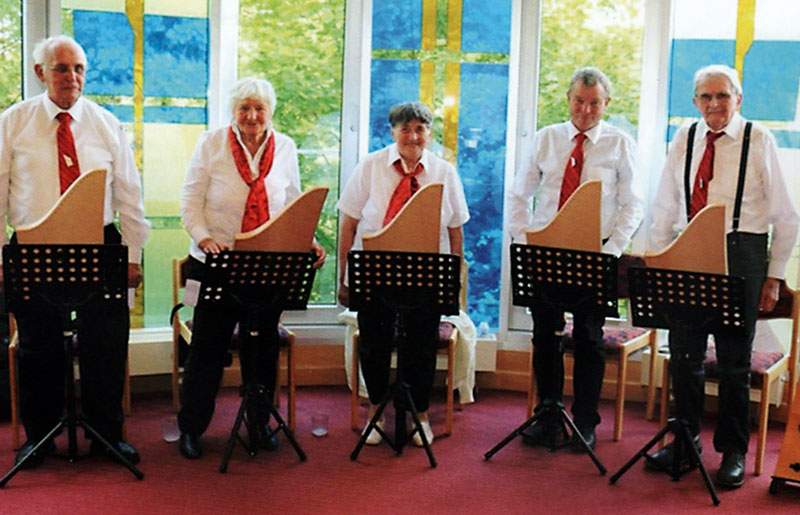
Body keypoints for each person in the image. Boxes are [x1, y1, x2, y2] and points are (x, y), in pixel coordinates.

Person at [0, 36, 150, 467]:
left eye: (79, 68)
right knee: (37, 347)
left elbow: (130, 196)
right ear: (40, 73)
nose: (72, 77)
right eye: (62, 68)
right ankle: (40, 438)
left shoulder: (106, 124)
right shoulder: (13, 123)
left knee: (106, 343)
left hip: (98, 245)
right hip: (32, 245)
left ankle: (107, 435)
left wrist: (134, 256)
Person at [648, 64, 799, 488]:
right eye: (705, 97)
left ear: (739, 99)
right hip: (688, 247)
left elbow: (786, 215)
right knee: (685, 355)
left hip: (742, 251)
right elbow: (665, 202)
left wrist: (773, 276)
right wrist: (661, 258)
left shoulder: (758, 138)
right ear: (695, 101)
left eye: (722, 96)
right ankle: (685, 441)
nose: (714, 104)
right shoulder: (686, 136)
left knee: (734, 363)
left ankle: (732, 451)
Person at [177, 77, 325, 459]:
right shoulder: (211, 143)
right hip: (216, 260)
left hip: (267, 263)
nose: (252, 115)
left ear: (270, 112)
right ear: (233, 111)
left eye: (259, 108)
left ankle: (259, 424)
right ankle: (192, 429)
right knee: (207, 350)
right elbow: (190, 199)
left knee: (262, 347)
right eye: (244, 108)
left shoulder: (286, 147)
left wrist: (304, 239)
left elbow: (292, 201)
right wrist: (204, 236)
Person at [507, 67, 644, 451]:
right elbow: (519, 194)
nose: (586, 110)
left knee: (588, 337)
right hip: (546, 249)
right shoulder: (546, 139)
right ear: (568, 100)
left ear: (607, 104)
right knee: (545, 336)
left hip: (594, 251)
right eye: (579, 101)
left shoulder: (620, 143)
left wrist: (612, 250)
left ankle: (585, 422)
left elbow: (633, 204)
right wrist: (524, 241)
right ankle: (547, 415)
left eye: (594, 103)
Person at [337, 101, 469, 446]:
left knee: (420, 347)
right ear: (392, 131)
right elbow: (348, 224)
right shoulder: (369, 166)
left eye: (420, 129)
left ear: (429, 133)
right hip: (374, 270)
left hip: (426, 273)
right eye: (405, 129)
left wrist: (452, 280)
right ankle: (377, 410)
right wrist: (343, 278)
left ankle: (419, 414)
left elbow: (456, 230)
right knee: (374, 343)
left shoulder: (444, 171)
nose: (413, 136)